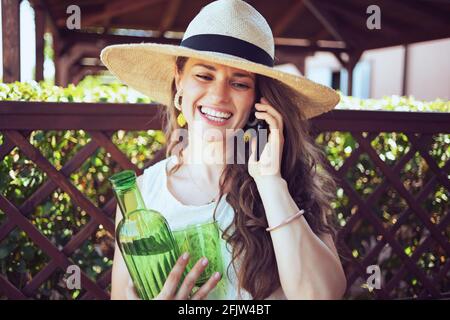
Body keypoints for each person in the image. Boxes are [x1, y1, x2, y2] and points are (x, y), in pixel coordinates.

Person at [101, 0, 346, 300]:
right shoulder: (141, 197)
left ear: (259, 98)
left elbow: (320, 296)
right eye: (204, 76)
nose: (218, 96)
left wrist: (270, 183)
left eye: (239, 83)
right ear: (179, 81)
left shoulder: (289, 182)